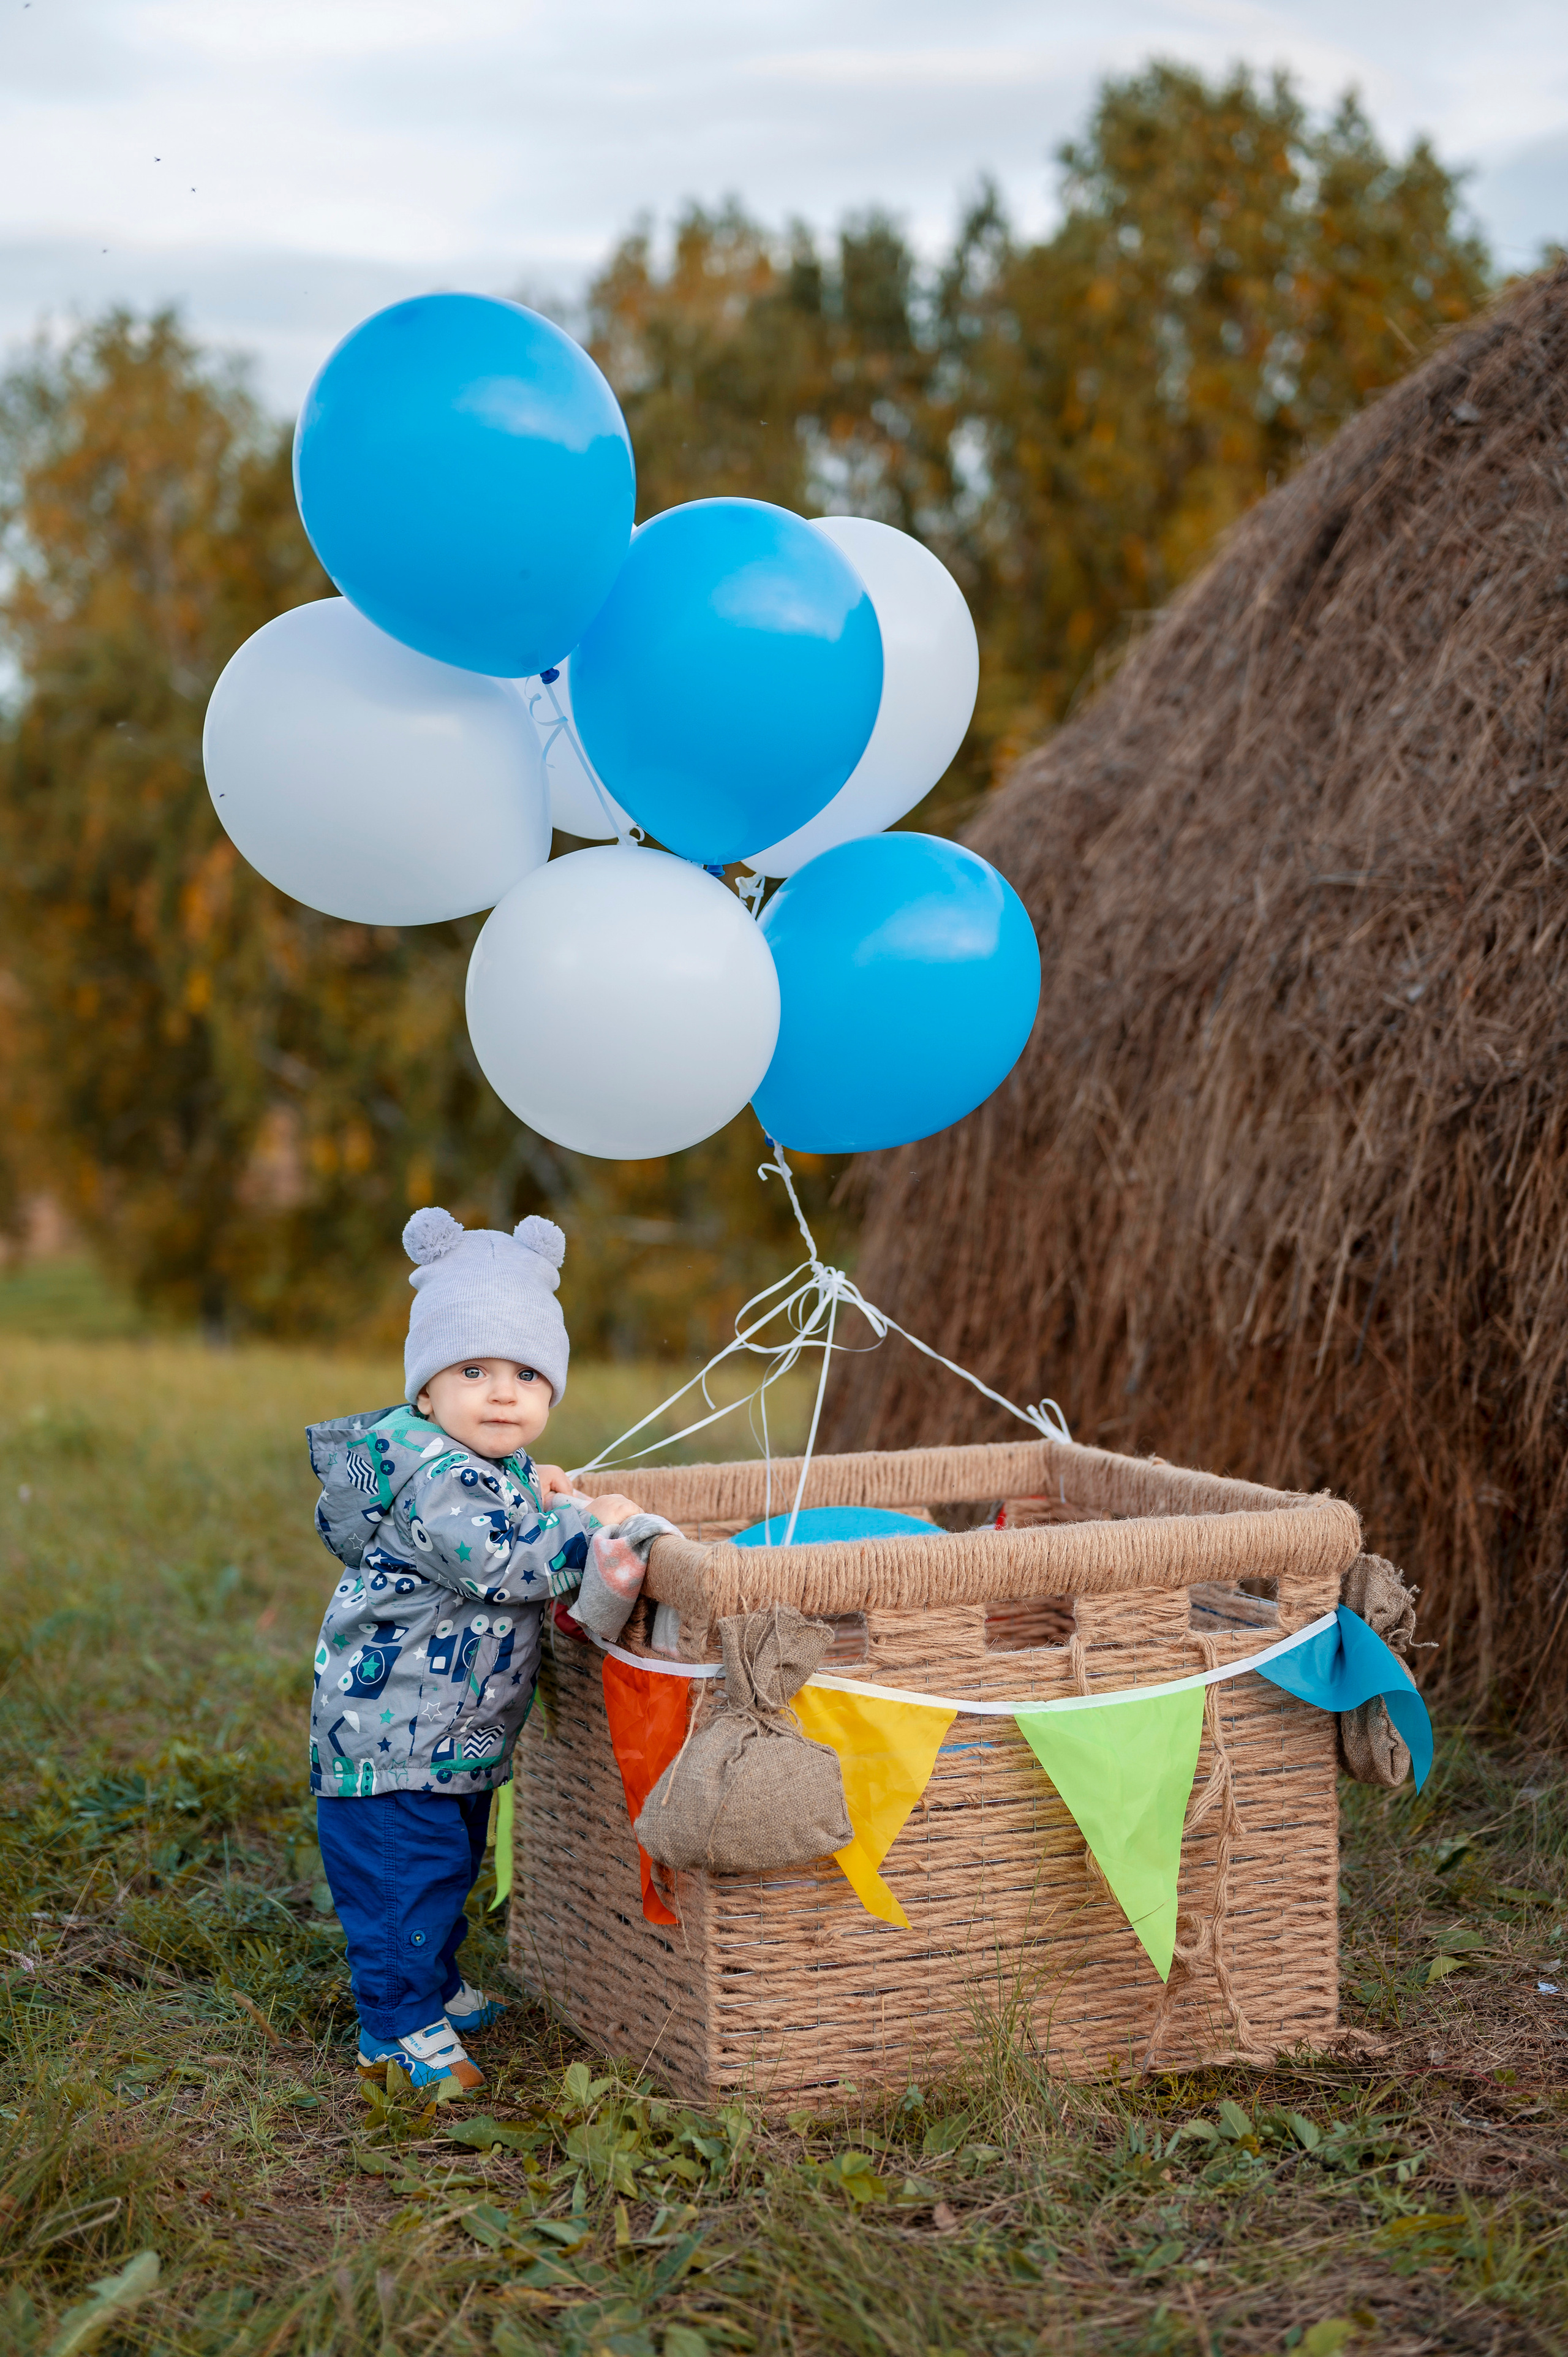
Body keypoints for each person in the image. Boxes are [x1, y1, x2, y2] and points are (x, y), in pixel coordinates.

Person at [305, 1206, 671, 2092]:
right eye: (473, 1370)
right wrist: (594, 1532)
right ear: (426, 1393)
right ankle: (395, 2028)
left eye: (527, 1375)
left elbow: (509, 1507)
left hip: (448, 1734)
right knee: (406, 1879)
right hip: (393, 1739)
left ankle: (430, 1986)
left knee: (448, 1866)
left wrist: (540, 1493)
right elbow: (510, 1561)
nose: (504, 1392)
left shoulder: (482, 1469)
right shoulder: (439, 1479)